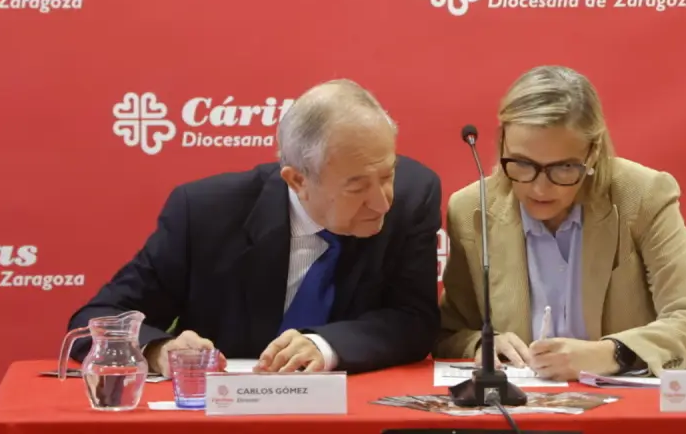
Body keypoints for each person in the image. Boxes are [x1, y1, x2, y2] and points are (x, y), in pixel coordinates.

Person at [67, 79, 443, 375]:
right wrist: (158, 350)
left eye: (387, 174)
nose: (382, 202)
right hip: (227, 420)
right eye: (356, 187)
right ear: (297, 180)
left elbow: (414, 319)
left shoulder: (413, 195)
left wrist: (325, 346)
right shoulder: (205, 214)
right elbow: (95, 319)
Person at [434, 66, 686, 380]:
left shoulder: (643, 196)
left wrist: (611, 354)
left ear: (593, 152)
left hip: (625, 404)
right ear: (502, 142)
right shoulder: (471, 210)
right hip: (520, 404)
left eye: (563, 168)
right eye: (523, 164)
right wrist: (481, 343)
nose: (539, 188)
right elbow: (448, 332)